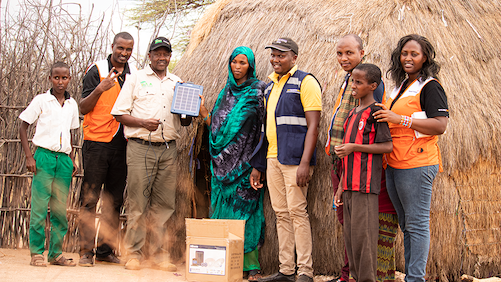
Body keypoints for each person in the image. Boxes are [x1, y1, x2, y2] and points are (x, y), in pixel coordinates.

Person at [373, 34, 449, 282]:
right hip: (395, 163)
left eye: (414, 54)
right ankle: (410, 276)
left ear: (425, 57)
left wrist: (400, 119)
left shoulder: (430, 86)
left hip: (417, 164)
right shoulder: (401, 86)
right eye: (404, 53)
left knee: (416, 225)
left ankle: (416, 279)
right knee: (406, 225)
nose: (408, 58)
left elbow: (440, 125)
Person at [251, 37, 322, 282]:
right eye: (273, 55)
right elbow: (266, 129)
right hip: (272, 159)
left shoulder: (306, 81)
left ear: (294, 57)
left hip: (294, 160)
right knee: (281, 213)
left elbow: (313, 126)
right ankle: (286, 270)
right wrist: (259, 165)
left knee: (297, 212)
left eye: (281, 55)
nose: (275, 59)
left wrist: (305, 162)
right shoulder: (270, 86)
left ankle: (305, 271)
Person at [111, 36, 182, 271]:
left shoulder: (177, 82)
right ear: (149, 56)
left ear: (170, 56)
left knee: (165, 205)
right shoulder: (136, 79)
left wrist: (189, 113)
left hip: (169, 149)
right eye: (157, 53)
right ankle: (133, 254)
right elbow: (119, 114)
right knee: (138, 203)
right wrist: (142, 123)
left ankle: (160, 255)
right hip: (141, 146)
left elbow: (184, 119)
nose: (162, 57)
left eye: (166, 53)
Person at [199, 46, 266, 282]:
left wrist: (258, 164)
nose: (237, 67)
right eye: (234, 62)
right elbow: (216, 132)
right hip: (221, 167)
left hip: (247, 167)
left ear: (251, 66)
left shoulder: (258, 92)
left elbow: (263, 131)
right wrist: (205, 113)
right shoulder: (225, 93)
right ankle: (223, 262)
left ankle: (252, 266)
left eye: (242, 63)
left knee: (247, 213)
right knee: (223, 212)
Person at [325, 34, 385, 282]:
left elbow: (380, 139)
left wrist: (353, 148)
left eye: (349, 53)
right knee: (349, 229)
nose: (343, 58)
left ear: (362, 52)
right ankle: (350, 275)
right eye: (340, 53)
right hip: (345, 170)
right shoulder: (347, 84)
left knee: (363, 232)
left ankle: (361, 276)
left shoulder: (371, 89)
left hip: (362, 174)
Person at [78, 31, 135, 267]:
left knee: (114, 200)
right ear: (112, 46)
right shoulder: (97, 70)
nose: (123, 53)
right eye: (120, 48)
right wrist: (100, 89)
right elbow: (82, 107)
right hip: (96, 143)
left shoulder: (133, 75)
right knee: (90, 199)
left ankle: (105, 250)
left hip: (122, 144)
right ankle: (85, 251)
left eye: (128, 49)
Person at [333, 63, 393, 282]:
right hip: (348, 186)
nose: (353, 86)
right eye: (352, 81)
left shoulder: (377, 112)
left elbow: (387, 146)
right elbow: (347, 157)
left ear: (372, 86)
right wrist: (340, 187)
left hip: (365, 186)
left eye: (359, 82)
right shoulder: (351, 114)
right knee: (352, 240)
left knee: (364, 240)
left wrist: (354, 147)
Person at [19, 62, 79, 267]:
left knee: (60, 209)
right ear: (50, 79)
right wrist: (29, 156)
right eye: (56, 77)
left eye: (64, 78)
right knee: (39, 207)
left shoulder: (72, 104)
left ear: (69, 79)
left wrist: (71, 158)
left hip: (63, 159)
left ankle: (56, 253)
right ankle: (36, 253)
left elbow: (70, 132)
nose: (60, 82)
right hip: (43, 157)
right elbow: (23, 126)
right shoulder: (42, 100)